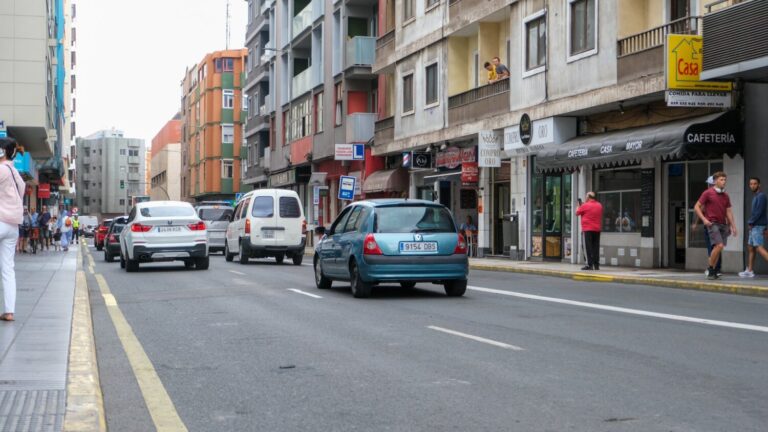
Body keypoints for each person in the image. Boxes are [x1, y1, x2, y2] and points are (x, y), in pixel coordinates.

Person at [694, 171, 737, 280]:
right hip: (712, 223)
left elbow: (728, 212)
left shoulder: (726, 195)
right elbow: (696, 207)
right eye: (721, 180)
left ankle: (712, 270)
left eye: (725, 180)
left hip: (723, 225)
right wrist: (704, 220)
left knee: (717, 248)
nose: (724, 182)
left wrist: (733, 226)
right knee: (719, 245)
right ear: (715, 181)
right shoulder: (707, 193)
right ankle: (710, 268)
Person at [0, 137, 25, 321]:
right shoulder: (16, 174)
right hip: (13, 226)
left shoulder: (1, 170)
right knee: (8, 268)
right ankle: (9, 312)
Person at [692, 176, 721, 276]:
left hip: (709, 225)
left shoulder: (708, 195)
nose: (709, 186)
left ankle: (711, 269)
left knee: (711, 248)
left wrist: (697, 222)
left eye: (710, 184)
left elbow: (700, 209)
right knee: (717, 247)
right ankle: (717, 269)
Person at [739, 177, 768, 278]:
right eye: (751, 184)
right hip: (754, 225)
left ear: (759, 185)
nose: (752, 186)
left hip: (757, 225)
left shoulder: (761, 196)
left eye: (755, 184)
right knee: (751, 247)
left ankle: (750, 270)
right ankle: (750, 271)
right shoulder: (756, 196)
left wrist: (751, 222)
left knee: (759, 248)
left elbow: (759, 212)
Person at [576, 192, 603, 270]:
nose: (585, 197)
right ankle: (596, 265)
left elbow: (577, 213)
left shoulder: (585, 205)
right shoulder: (599, 205)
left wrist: (578, 206)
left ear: (588, 197)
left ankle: (589, 264)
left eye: (586, 196)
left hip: (587, 229)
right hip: (597, 229)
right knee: (595, 247)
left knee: (587, 247)